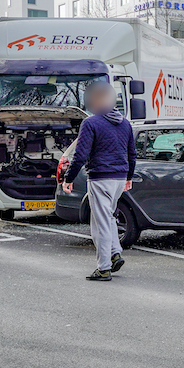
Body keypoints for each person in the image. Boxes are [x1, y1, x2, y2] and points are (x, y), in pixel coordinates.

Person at [62, 82, 136, 281]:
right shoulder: (125, 123)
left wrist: (68, 178)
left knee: (100, 223)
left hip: (100, 178)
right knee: (108, 217)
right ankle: (114, 253)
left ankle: (103, 268)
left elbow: (80, 155)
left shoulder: (91, 123)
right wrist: (128, 177)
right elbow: (132, 154)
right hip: (119, 178)